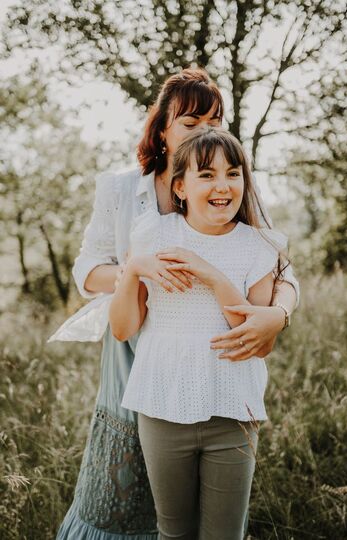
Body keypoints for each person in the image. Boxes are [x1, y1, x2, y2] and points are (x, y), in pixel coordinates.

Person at [51, 68, 299, 539]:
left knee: (216, 506)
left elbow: (278, 266)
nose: (206, 131)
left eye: (215, 120)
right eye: (191, 122)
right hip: (138, 349)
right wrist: (136, 270)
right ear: (162, 129)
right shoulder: (123, 190)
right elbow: (86, 271)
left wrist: (277, 312)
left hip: (217, 356)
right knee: (127, 486)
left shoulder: (231, 182)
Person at [108, 126, 288, 540]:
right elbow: (122, 329)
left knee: (225, 535)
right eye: (206, 174)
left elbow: (253, 339)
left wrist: (210, 274)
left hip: (233, 412)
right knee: (173, 532)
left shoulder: (259, 245)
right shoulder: (153, 235)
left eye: (233, 173)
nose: (223, 185)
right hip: (161, 404)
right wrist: (133, 268)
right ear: (180, 187)